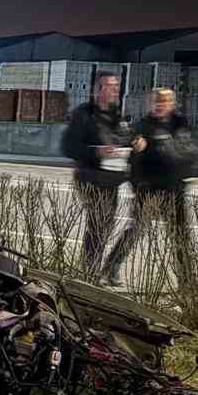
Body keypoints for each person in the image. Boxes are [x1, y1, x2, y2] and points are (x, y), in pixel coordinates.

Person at [103, 87, 198, 287]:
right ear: (150, 104)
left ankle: (187, 282)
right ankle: (110, 268)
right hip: (150, 190)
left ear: (172, 104)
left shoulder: (180, 124)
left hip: (174, 189)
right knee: (136, 230)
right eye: (156, 102)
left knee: (180, 237)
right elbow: (134, 162)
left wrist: (186, 164)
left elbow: (188, 151)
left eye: (164, 102)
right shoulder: (143, 127)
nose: (159, 106)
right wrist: (139, 186)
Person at [61, 71, 131, 277]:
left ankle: (92, 271)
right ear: (96, 90)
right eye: (109, 86)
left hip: (112, 178)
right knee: (98, 225)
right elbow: (68, 147)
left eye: (116, 86)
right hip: (90, 177)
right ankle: (89, 273)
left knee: (105, 226)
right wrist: (96, 151)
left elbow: (123, 139)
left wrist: (132, 143)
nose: (114, 90)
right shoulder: (83, 114)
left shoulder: (115, 115)